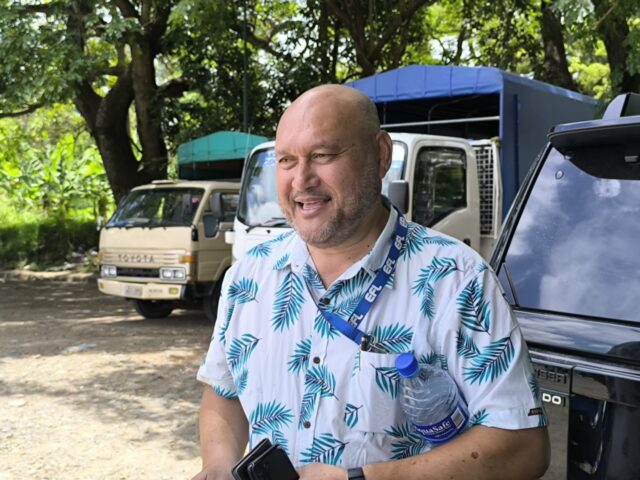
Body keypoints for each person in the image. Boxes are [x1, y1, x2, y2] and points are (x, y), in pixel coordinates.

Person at [192, 84, 550, 480]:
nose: (301, 180)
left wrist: (368, 477)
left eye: (322, 155)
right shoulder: (248, 276)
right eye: (286, 160)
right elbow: (224, 393)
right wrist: (218, 463)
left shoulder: (457, 280)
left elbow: (524, 447)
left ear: (380, 154)